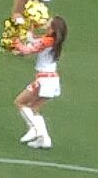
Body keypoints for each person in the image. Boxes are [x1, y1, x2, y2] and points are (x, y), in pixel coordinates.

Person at [12, 14, 67, 149]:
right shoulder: (51, 41)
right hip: (52, 80)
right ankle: (45, 139)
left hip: (44, 80)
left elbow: (28, 49)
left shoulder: (47, 41)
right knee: (34, 108)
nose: (46, 23)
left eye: (49, 22)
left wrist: (15, 42)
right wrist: (30, 26)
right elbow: (32, 40)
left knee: (20, 102)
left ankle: (36, 130)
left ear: (52, 28)